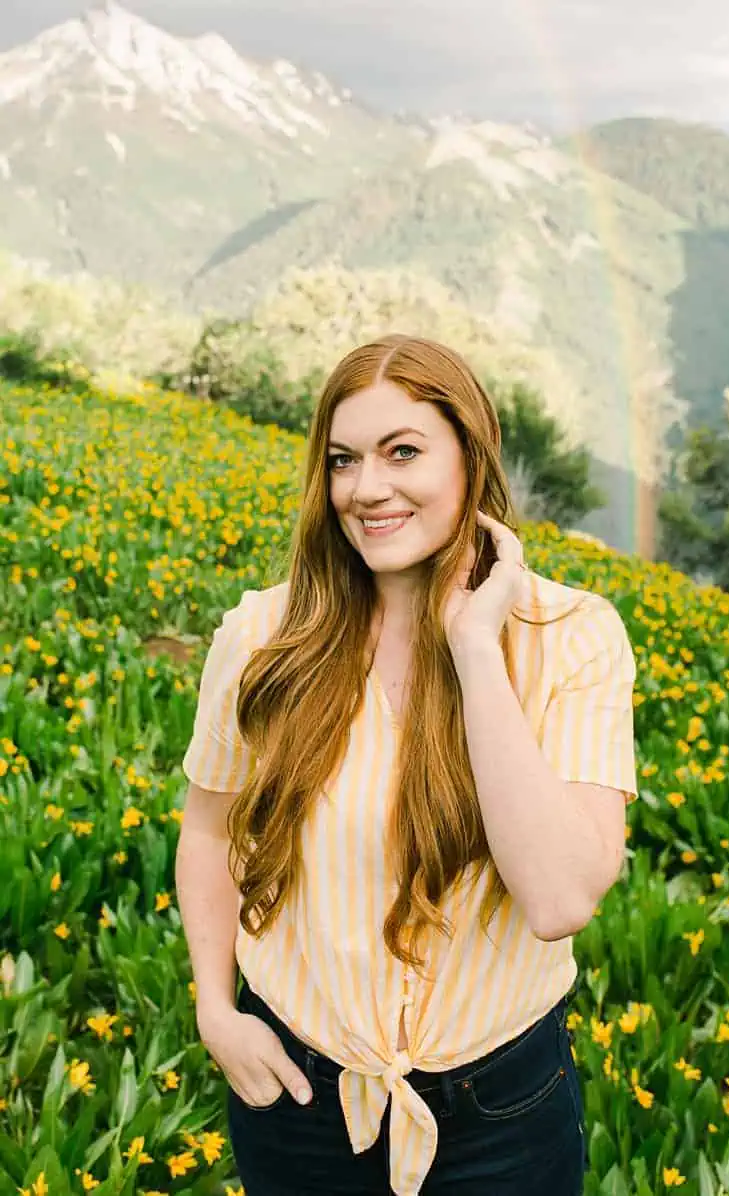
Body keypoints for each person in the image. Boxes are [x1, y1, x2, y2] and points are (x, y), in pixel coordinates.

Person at [174, 334, 638, 1195]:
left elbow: (560, 898)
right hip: (298, 1098)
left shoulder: (572, 638)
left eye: (404, 452)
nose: (367, 489)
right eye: (344, 460)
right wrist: (215, 1010)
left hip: (503, 1113)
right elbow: (208, 832)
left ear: (472, 456)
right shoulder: (262, 637)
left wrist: (472, 646)